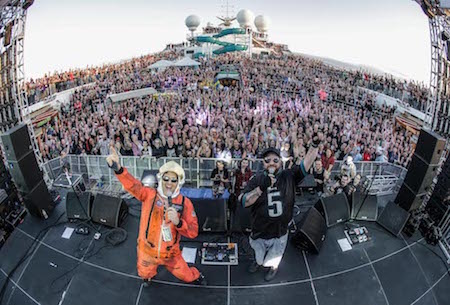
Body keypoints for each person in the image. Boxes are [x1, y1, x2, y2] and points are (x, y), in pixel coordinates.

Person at [106, 147, 206, 286]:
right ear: (161, 179)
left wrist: (178, 223)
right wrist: (118, 169)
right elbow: (133, 186)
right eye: (166, 179)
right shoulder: (149, 194)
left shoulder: (185, 203)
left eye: (173, 180)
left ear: (178, 183)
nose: (169, 183)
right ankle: (148, 277)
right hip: (147, 251)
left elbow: (193, 232)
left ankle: (196, 276)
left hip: (171, 255)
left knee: (187, 276)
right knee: (144, 273)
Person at [239, 133, 322, 281]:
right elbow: (244, 202)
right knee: (258, 256)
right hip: (259, 231)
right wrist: (260, 189)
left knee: (274, 258)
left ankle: (273, 268)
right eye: (267, 160)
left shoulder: (289, 176)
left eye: (275, 160)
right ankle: (258, 263)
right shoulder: (256, 179)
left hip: (280, 232)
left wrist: (314, 145)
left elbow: (306, 164)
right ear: (263, 163)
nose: (271, 163)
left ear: (281, 162)